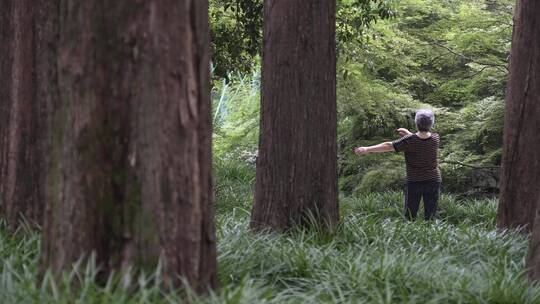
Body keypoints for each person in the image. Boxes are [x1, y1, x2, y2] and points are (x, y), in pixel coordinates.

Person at [354, 109, 441, 220]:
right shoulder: (435, 138)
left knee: (410, 215)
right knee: (431, 215)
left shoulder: (409, 140)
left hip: (415, 181)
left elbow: (389, 146)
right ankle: (431, 235)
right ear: (431, 123)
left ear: (416, 122)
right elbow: (419, 140)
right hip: (433, 180)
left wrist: (367, 149)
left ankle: (412, 235)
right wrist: (409, 134)